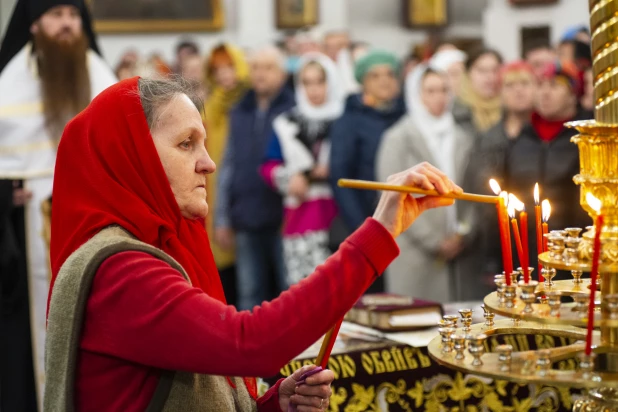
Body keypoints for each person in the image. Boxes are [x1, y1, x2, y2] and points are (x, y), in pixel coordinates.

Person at [44, 76, 460, 411]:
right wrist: (380, 229)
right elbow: (250, 343)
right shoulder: (120, 271)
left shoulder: (156, 249)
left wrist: (270, 405)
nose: (208, 162)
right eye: (186, 143)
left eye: (204, 143)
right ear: (128, 155)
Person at [0, 0, 116, 409]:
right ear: (34, 24)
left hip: (94, 221)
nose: (67, 24)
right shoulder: (8, 82)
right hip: (27, 227)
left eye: (73, 15)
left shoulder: (99, 73)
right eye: (56, 15)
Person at [377, 66, 475, 302]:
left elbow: (472, 187)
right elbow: (393, 197)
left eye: (443, 90)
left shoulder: (462, 136)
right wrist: (434, 241)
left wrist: (464, 233)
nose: (439, 97)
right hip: (414, 250)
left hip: (459, 252)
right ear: (416, 94)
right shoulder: (398, 138)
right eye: (430, 90)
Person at [483, 61, 590, 273]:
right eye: (540, 85)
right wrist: (494, 256)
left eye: (554, 86)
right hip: (524, 253)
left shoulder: (584, 138)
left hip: (571, 254)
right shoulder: (521, 138)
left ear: (572, 94)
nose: (545, 93)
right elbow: (502, 197)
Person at [215, 46, 295, 311]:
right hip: (246, 215)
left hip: (284, 217)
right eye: (256, 68)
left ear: (282, 74)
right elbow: (228, 167)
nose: (260, 74)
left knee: (289, 291)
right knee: (249, 293)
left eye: (268, 67)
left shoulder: (293, 110)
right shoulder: (240, 111)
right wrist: (222, 218)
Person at [261, 53, 344, 286]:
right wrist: (290, 178)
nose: (314, 89)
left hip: (342, 218)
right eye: (307, 82)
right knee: (306, 299)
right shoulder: (285, 123)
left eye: (320, 81)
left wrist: (335, 169)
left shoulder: (345, 120)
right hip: (302, 218)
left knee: (345, 296)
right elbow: (268, 165)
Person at [329, 49, 404, 293]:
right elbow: (341, 177)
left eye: (390, 74)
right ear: (363, 81)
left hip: (404, 223)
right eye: (375, 75)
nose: (384, 80)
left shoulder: (406, 115)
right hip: (367, 220)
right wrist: (364, 229)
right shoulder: (350, 120)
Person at [476, 62, 537, 277]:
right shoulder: (489, 137)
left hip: (536, 230)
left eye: (525, 83)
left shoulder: (543, 136)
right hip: (499, 235)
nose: (518, 90)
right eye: (510, 85)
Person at [203, 43, 250, 305]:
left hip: (242, 204)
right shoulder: (209, 107)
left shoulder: (250, 104)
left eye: (229, 67)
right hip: (213, 203)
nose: (224, 75)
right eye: (217, 69)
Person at [453, 47, 503, 136]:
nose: (490, 77)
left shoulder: (513, 112)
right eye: (482, 70)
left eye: (495, 70)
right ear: (468, 74)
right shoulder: (456, 113)